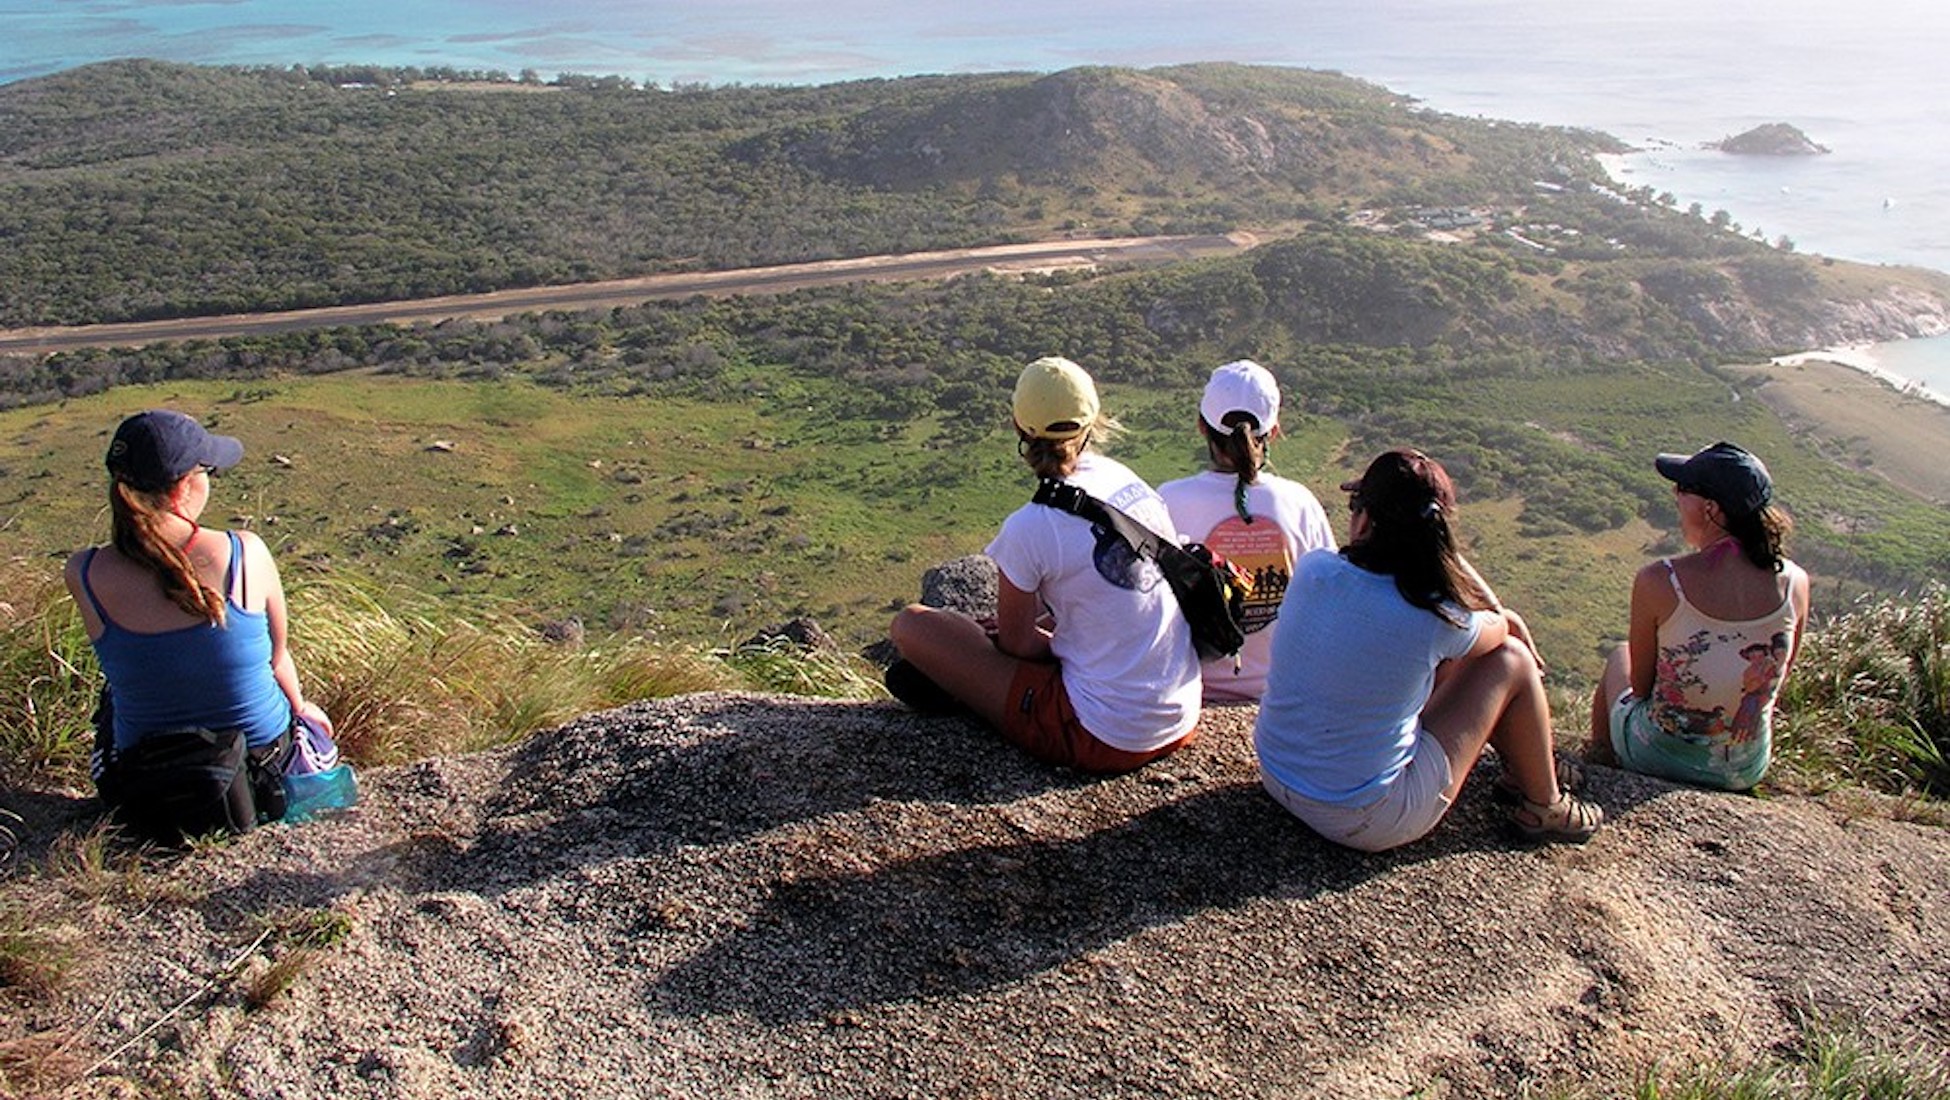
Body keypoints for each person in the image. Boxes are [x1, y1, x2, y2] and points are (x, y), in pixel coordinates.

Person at [1253, 449, 1602, 851]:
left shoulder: (1314, 568)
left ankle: (1525, 772)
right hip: (1363, 818)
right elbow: (1499, 628)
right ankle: (1545, 805)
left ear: (1365, 519)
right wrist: (1502, 610)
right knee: (1511, 660)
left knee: (1444, 658)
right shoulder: (1433, 615)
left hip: (1277, 775)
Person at [887, 356, 1201, 773]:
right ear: (1092, 422)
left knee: (912, 626)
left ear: (1018, 426)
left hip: (1104, 734)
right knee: (996, 632)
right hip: (1181, 712)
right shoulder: (1126, 481)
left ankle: (966, 687)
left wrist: (1035, 640)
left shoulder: (1031, 526)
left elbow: (1020, 646)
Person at [64, 409, 337, 832]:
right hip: (261, 769)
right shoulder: (245, 554)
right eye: (207, 470)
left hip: (146, 779)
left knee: (114, 695)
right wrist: (303, 709)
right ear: (183, 488)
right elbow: (277, 659)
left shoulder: (84, 572)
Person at [1589, 442, 1810, 791]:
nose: (1676, 496)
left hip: (1657, 756)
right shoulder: (1796, 583)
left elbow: (1643, 688)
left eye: (1683, 490)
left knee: (1620, 654)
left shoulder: (1660, 580)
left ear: (1711, 509)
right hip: (1745, 765)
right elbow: (1778, 679)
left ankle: (1599, 768)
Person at [1158, 359, 1335, 700]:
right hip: (1278, 693)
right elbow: (1327, 606)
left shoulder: (1168, 501)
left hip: (1191, 692)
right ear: (1273, 431)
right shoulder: (1300, 504)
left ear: (1201, 426)